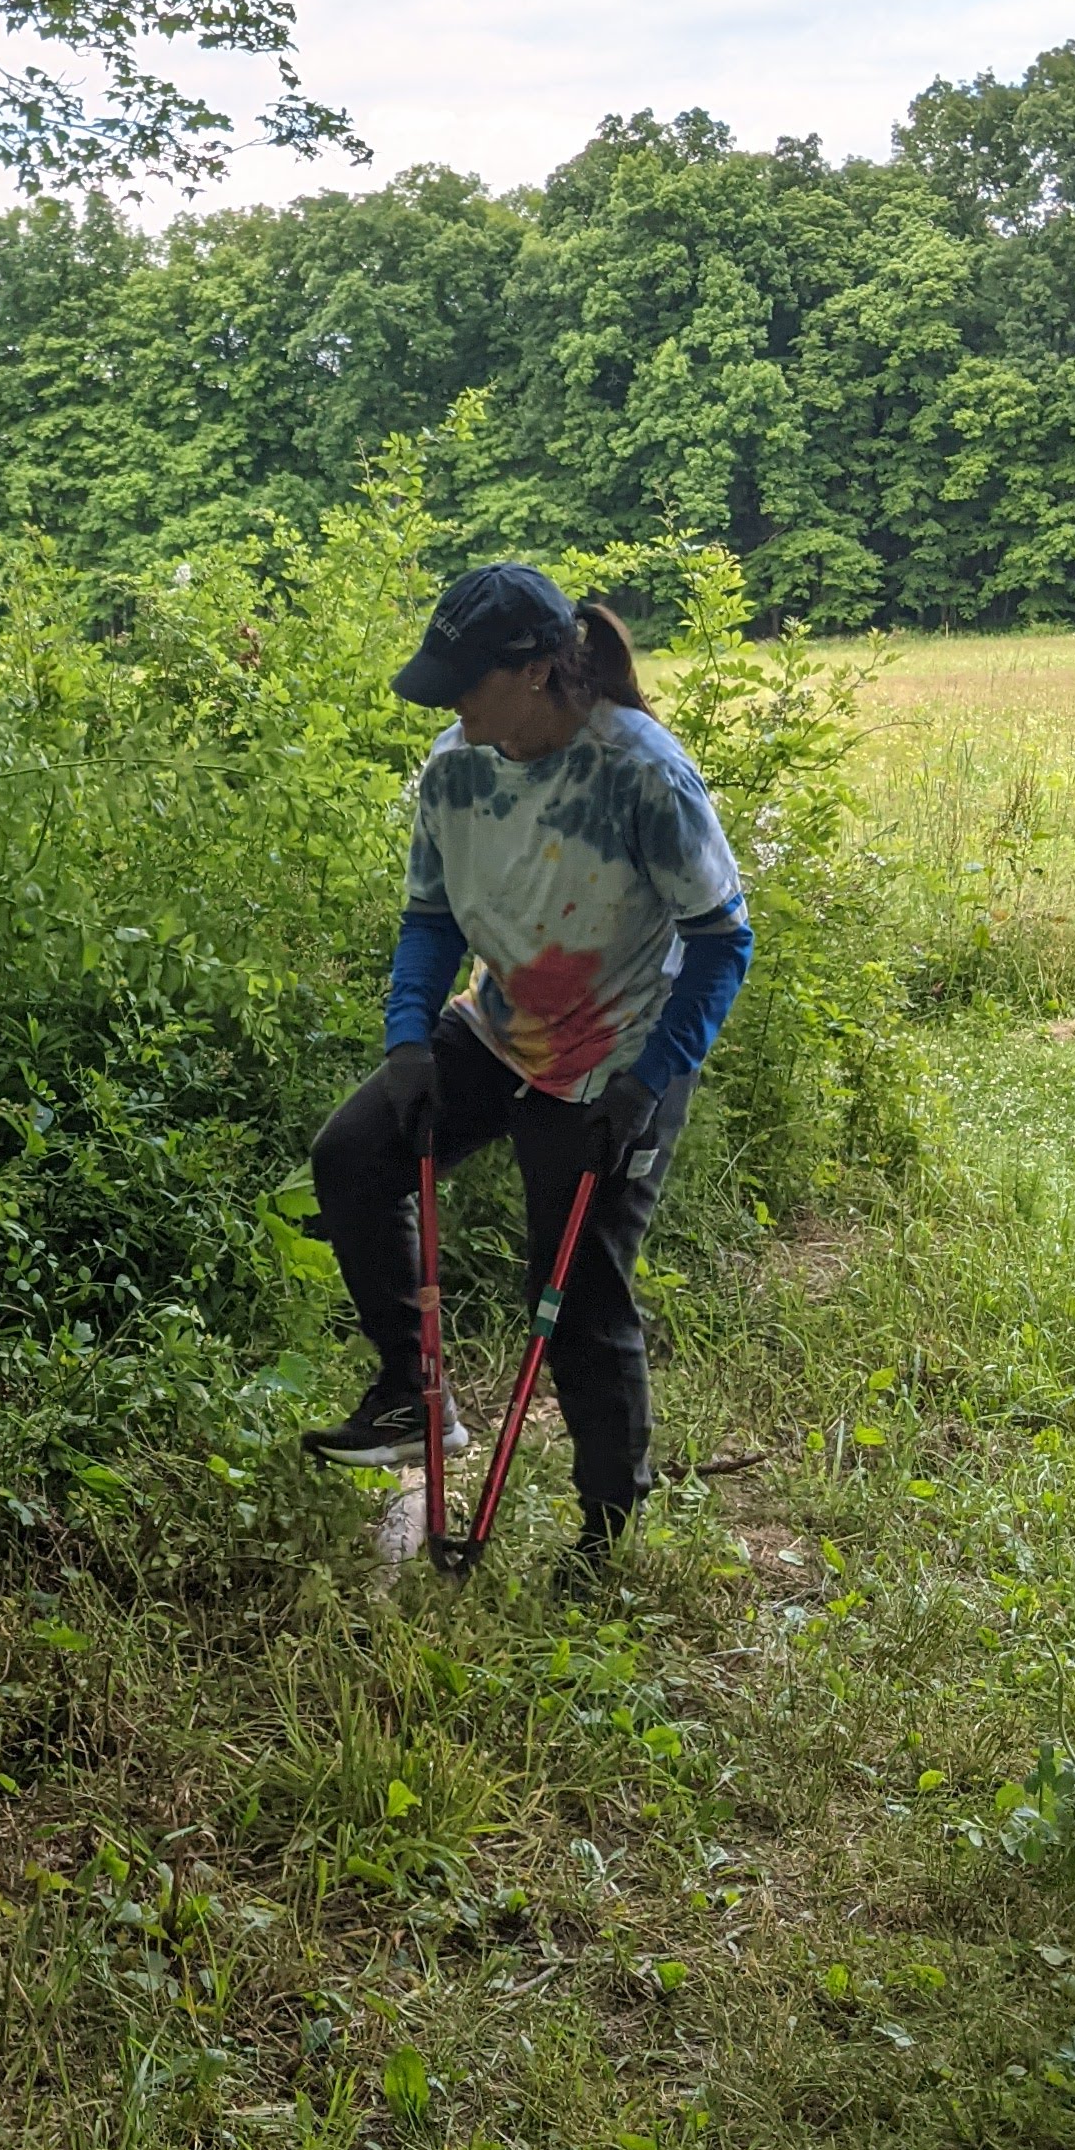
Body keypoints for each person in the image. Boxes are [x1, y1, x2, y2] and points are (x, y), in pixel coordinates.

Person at [302, 562, 755, 1579]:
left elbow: (722, 943)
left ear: (541, 669)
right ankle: (414, 1394)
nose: (453, 708)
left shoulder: (641, 774)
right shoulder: (456, 769)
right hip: (502, 1025)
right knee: (354, 1155)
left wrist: (649, 1086)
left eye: (468, 684)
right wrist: (409, 1039)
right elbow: (430, 919)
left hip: (625, 1052)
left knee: (578, 1292)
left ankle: (605, 1531)